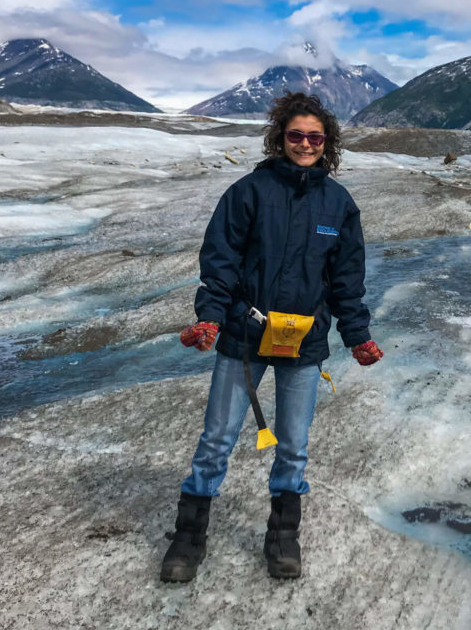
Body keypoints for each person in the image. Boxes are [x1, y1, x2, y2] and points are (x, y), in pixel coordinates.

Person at [160, 91, 384, 583]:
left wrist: (358, 336)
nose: (305, 144)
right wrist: (211, 318)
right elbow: (219, 264)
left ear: (327, 144)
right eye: (296, 135)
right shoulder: (248, 192)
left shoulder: (339, 204)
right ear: (280, 137)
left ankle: (282, 536)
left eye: (315, 137)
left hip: (303, 341)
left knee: (294, 445)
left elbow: (347, 282)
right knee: (217, 439)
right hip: (244, 332)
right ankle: (188, 537)